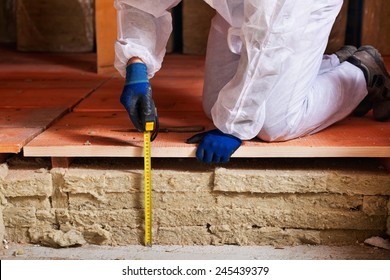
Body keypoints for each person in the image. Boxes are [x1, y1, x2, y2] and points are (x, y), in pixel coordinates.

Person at [114, 0, 389, 164]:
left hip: (295, 11)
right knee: (216, 106)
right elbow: (142, 3)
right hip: (236, 8)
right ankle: (316, 69)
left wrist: (234, 126)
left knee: (273, 124)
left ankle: (361, 71)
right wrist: (136, 64)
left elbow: (272, 33)